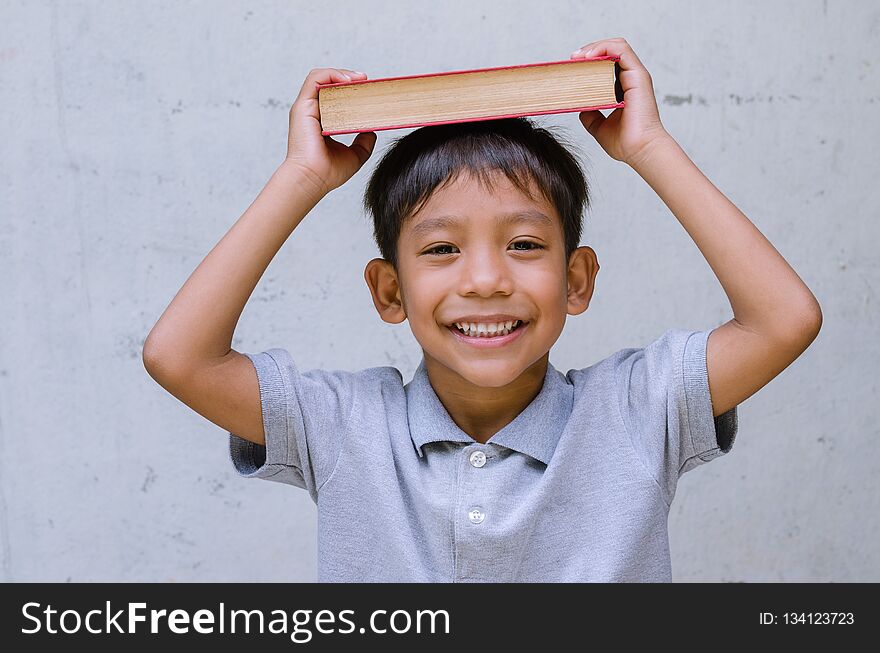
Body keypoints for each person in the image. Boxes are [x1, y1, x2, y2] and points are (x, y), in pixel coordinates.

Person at [142, 38, 822, 582]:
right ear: (389, 292)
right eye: (442, 249)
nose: (488, 279)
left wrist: (649, 147)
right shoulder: (343, 425)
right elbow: (179, 357)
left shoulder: (638, 410)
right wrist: (302, 175)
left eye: (524, 244)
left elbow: (783, 319)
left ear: (577, 280)